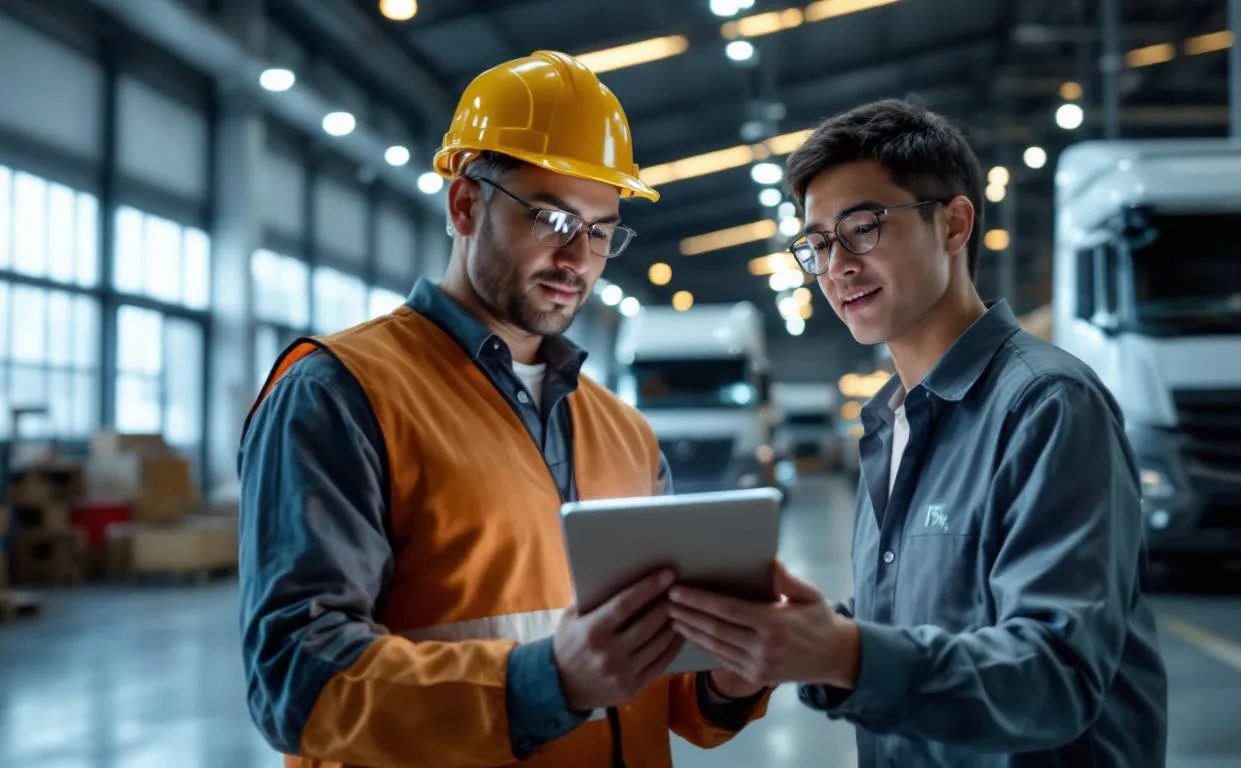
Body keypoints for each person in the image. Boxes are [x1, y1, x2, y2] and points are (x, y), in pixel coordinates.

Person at [236, 50, 769, 768]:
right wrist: (547, 683)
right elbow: (295, 681)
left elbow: (669, 695)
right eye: (551, 217)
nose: (577, 257)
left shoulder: (625, 432)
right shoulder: (343, 394)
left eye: (602, 231)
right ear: (464, 203)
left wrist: (730, 675)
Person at [667, 98, 1170, 766]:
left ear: (955, 224)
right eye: (817, 245)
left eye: (863, 228)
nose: (836, 267)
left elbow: (1057, 678)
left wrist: (845, 653)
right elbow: (923, 626)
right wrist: (788, 640)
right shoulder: (888, 421)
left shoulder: (1048, 407)